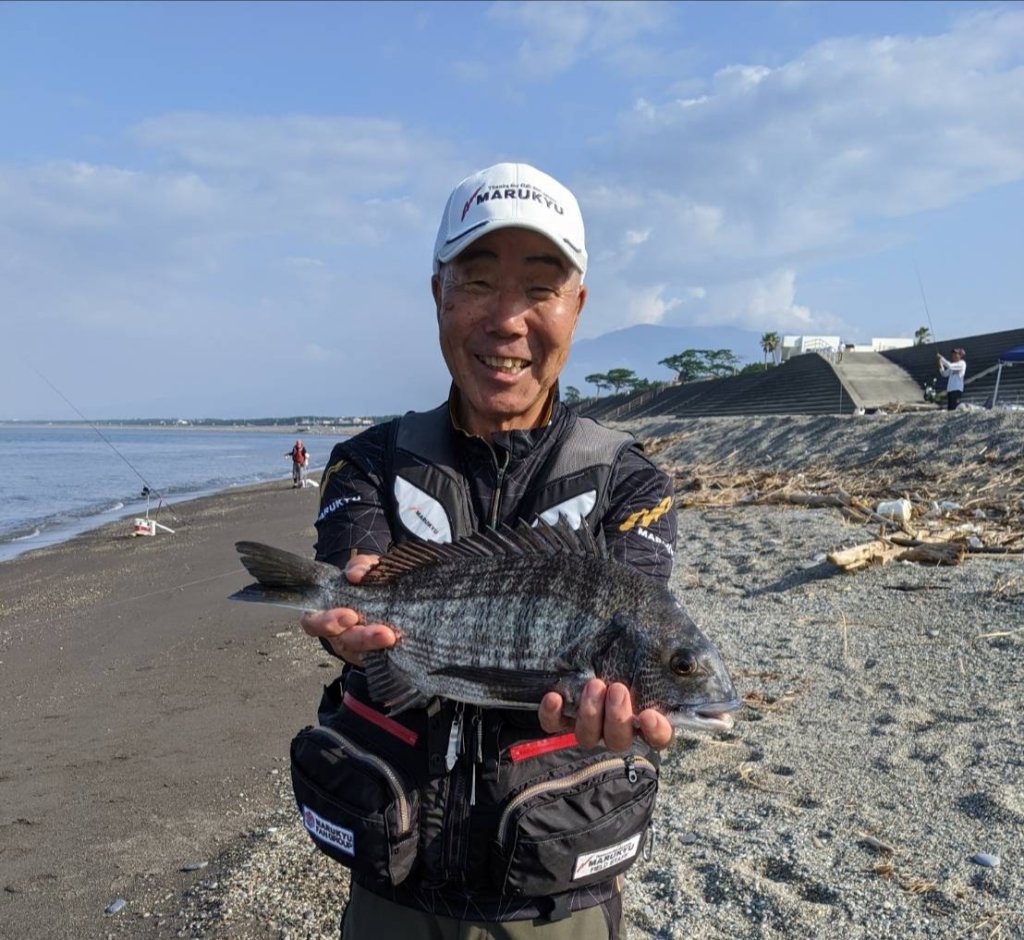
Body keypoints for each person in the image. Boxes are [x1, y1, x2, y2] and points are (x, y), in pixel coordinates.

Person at [300, 162, 678, 939]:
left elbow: (634, 605)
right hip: (395, 892)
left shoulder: (630, 482)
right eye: (477, 281)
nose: (507, 320)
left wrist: (633, 699)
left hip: (558, 899)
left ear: (577, 306)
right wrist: (351, 609)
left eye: (540, 289)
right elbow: (359, 572)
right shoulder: (369, 462)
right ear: (437, 292)